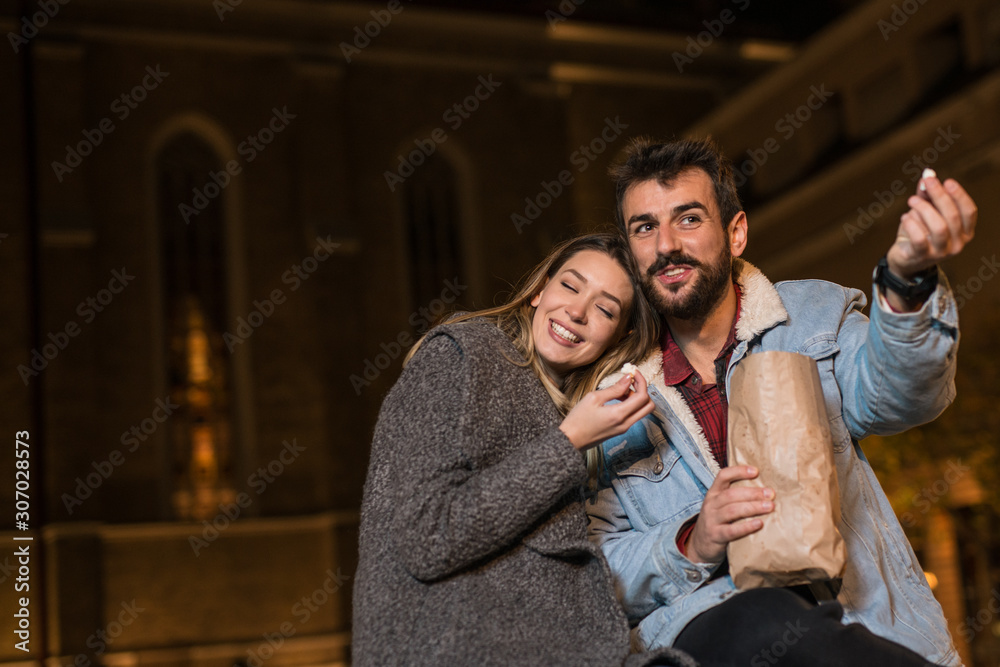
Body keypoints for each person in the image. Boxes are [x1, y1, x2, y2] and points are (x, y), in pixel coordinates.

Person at [586, 138, 978, 667]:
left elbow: (904, 395)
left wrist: (906, 279)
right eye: (645, 227)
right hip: (717, 643)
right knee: (761, 617)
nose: (666, 245)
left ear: (736, 232)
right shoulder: (608, 397)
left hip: (870, 632)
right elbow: (598, 574)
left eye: (689, 219)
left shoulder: (811, 317)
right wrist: (692, 540)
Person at [352, 234, 696, 667]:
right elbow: (430, 536)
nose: (576, 311)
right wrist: (567, 442)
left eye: (605, 309)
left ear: (619, 336)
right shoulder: (462, 356)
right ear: (539, 290)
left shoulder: (568, 411)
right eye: (570, 286)